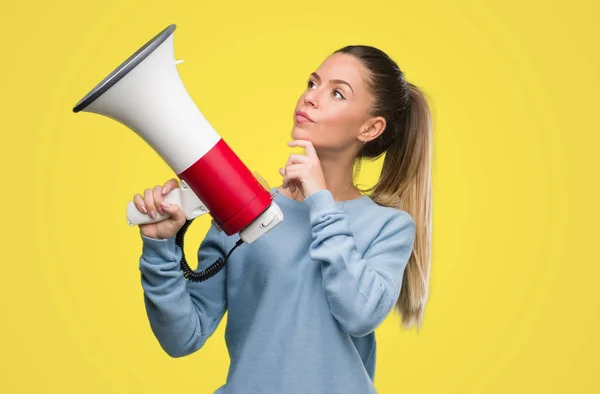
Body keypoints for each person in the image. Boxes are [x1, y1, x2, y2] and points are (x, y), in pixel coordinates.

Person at [134, 45, 433, 394]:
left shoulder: (389, 227)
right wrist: (160, 248)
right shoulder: (244, 207)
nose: (310, 98)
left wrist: (320, 201)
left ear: (369, 128)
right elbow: (183, 337)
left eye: (336, 93)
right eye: (312, 83)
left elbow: (360, 314)